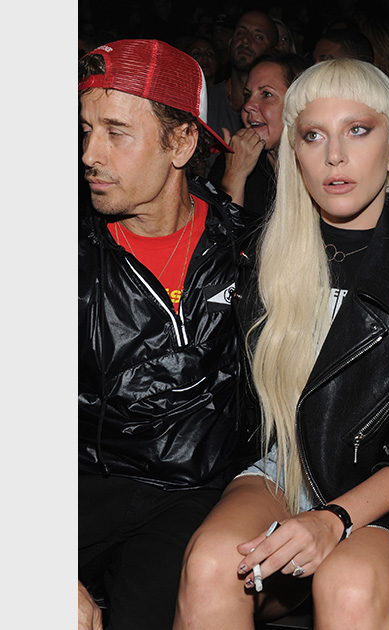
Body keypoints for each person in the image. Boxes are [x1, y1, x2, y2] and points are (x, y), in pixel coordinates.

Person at [174, 58, 389, 630]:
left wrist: (335, 520)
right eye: (314, 135)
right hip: (283, 472)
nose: (335, 156)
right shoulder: (260, 259)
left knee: (348, 585)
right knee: (211, 564)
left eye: (358, 130)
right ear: (294, 152)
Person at [78, 39, 253, 630]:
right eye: (86, 130)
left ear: (181, 143)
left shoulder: (245, 250)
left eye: (116, 133)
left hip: (192, 495)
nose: (89, 154)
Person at [210, 52, 307, 225]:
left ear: (299, 103)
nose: (248, 105)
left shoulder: (319, 166)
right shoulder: (230, 163)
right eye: (247, 95)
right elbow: (220, 237)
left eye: (266, 94)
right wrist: (234, 176)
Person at [203, 9, 279, 173]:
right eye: (241, 33)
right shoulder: (204, 101)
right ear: (230, 43)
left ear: (274, 50)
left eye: (258, 37)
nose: (245, 40)